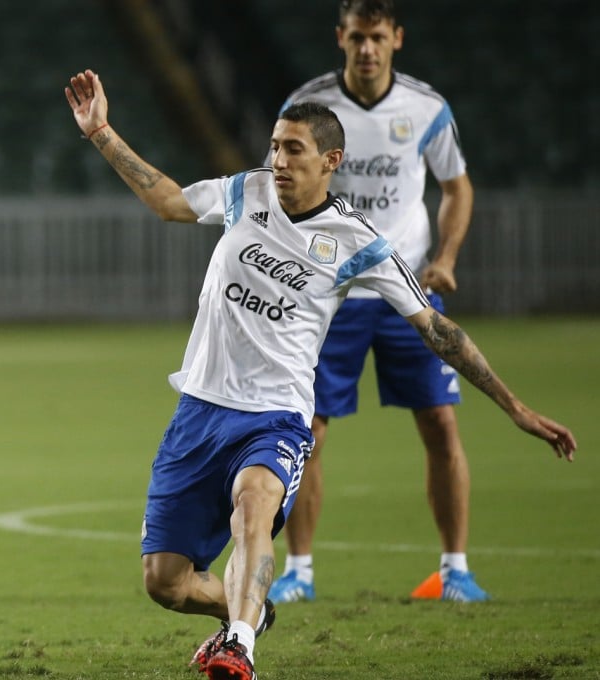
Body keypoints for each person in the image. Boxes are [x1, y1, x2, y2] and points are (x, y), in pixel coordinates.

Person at [64, 68, 575, 680]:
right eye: (275, 146)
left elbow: (438, 330)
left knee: (254, 507)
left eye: (294, 149)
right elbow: (169, 200)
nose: (278, 160)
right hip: (198, 409)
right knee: (165, 583)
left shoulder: (357, 242)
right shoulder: (243, 192)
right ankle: (245, 612)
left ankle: (240, 649)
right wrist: (101, 132)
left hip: (275, 414)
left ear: (330, 159)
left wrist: (514, 407)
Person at [265, 0, 486, 605]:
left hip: (405, 286)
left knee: (440, 423)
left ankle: (454, 570)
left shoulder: (426, 108)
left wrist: (446, 258)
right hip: (328, 295)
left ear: (396, 39)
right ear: (341, 38)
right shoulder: (306, 108)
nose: (367, 48)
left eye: (377, 37)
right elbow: (276, 190)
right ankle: (299, 572)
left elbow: (456, 186)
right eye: (357, 37)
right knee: (305, 430)